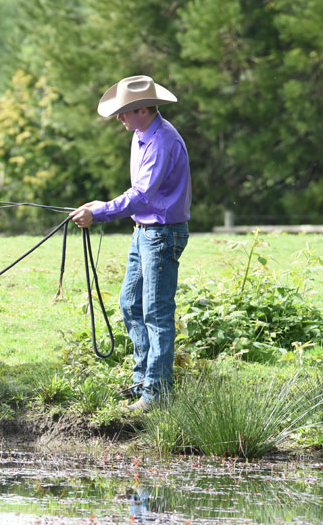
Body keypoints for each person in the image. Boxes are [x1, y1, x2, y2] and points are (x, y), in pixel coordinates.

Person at [71, 75, 191, 412]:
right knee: (129, 304)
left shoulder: (162, 141)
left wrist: (101, 213)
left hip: (162, 234)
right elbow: (138, 194)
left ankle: (155, 392)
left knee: (156, 312)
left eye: (123, 112)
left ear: (141, 109)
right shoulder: (141, 135)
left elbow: (141, 194)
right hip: (145, 231)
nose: (119, 118)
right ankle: (143, 381)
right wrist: (100, 207)